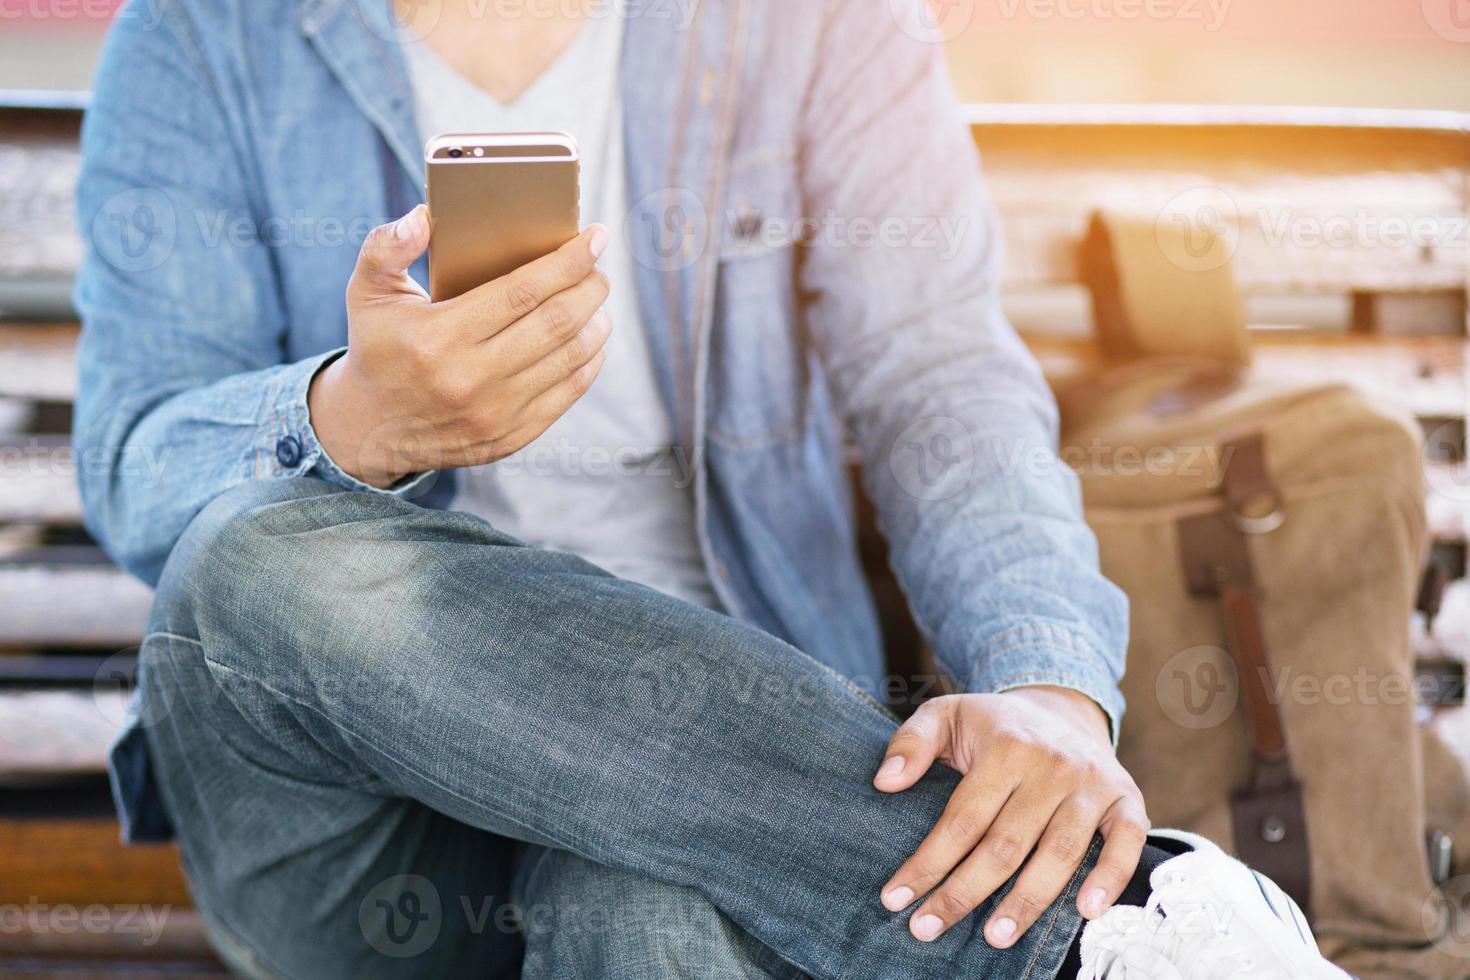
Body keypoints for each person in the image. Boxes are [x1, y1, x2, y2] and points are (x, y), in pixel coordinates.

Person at [74, 1, 1347, 977]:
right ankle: (1113, 937)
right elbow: (132, 458)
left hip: (730, 773)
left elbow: (939, 380)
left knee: (640, 900)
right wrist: (354, 419)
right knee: (250, 558)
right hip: (366, 829)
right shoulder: (197, 34)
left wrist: (1048, 693)